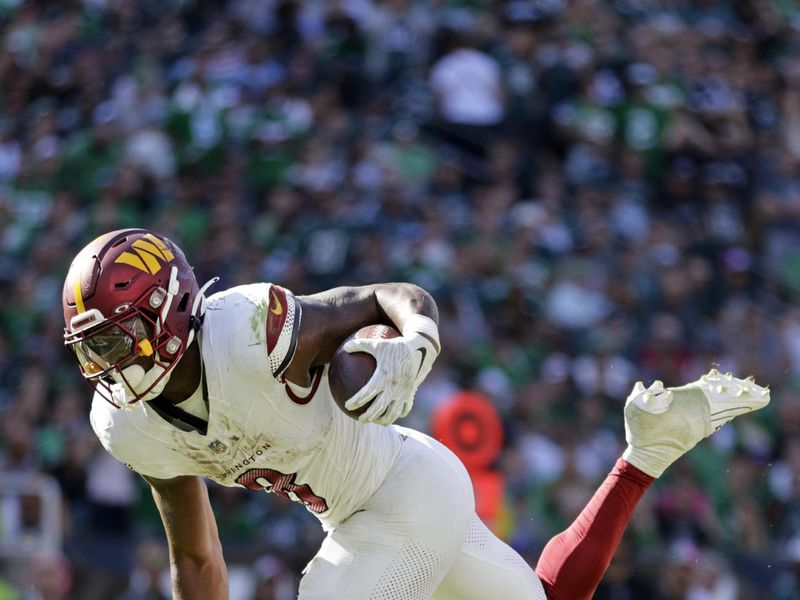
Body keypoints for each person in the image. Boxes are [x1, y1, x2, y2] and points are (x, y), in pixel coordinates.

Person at [62, 229, 770, 600]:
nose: (104, 363)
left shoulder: (249, 330)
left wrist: (417, 340)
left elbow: (382, 296)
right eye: (92, 346)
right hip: (371, 508)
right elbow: (194, 554)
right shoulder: (127, 423)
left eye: (113, 338)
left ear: (171, 314)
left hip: (402, 489)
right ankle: (643, 457)